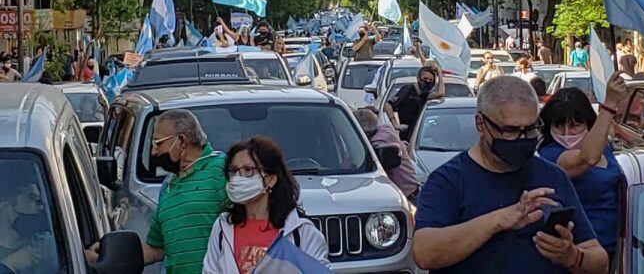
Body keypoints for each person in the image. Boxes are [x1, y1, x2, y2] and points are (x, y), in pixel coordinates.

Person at [413, 76, 608, 272]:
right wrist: (500, 220)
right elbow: (424, 253)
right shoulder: (448, 181)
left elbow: (600, 261)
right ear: (481, 125)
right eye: (511, 130)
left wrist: (572, 256)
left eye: (530, 129)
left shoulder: (553, 176)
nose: (522, 138)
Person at [88, 109, 228, 273]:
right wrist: (107, 256)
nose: (154, 152)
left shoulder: (222, 171)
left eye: (158, 143)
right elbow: (157, 248)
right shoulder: (168, 186)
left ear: (182, 141)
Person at [203, 137, 328, 273]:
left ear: (270, 179)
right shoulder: (223, 227)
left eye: (248, 170)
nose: (238, 178)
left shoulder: (300, 232)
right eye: (233, 171)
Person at [538, 73, 626, 266]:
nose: (567, 133)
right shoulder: (551, 155)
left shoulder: (604, 147)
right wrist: (609, 104)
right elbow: (588, 158)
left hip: (622, 251)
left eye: (575, 125)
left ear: (588, 125)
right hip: (581, 256)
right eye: (559, 126)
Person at [354, 109, 420, 203]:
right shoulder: (385, 130)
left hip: (407, 196)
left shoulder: (380, 140)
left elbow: (376, 154)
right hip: (401, 194)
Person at [384, 66, 445, 141]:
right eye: (425, 79)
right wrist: (395, 124)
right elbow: (388, 105)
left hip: (417, 136)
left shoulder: (424, 94)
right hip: (405, 136)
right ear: (418, 78)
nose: (428, 82)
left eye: (431, 80)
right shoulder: (407, 90)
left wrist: (439, 72)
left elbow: (440, 93)